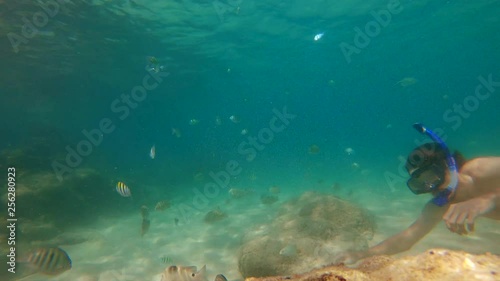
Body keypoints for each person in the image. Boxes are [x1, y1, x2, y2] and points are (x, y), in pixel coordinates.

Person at [337, 124, 500, 264]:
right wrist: (361, 255)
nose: (432, 188)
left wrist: (488, 199)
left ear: (447, 164)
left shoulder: (480, 169)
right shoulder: (439, 206)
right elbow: (406, 239)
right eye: (421, 184)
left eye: (432, 178)